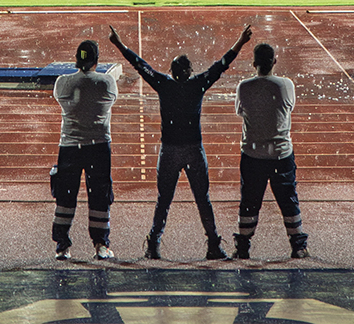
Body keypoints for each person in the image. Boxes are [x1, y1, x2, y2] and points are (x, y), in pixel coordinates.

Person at [108, 23, 252, 260]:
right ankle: (213, 244)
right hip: (194, 149)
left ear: (172, 71)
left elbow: (140, 65)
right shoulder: (198, 85)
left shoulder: (164, 85)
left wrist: (119, 43)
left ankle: (154, 244)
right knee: (202, 199)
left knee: (164, 200)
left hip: (169, 150)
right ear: (190, 71)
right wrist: (240, 41)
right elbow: (222, 65)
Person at [234, 42, 308, 259]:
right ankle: (298, 245)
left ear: (254, 63)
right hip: (281, 154)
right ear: (274, 61)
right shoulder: (285, 85)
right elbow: (289, 107)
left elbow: (241, 111)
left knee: (249, 200)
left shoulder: (244, 87)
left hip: (253, 154)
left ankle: (243, 246)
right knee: (288, 199)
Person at [50, 38, 118, 261]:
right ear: (97, 60)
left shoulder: (63, 83)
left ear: (76, 60)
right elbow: (107, 98)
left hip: (69, 147)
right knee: (99, 196)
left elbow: (67, 96)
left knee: (65, 196)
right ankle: (100, 244)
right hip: (98, 146)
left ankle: (62, 245)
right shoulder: (107, 83)